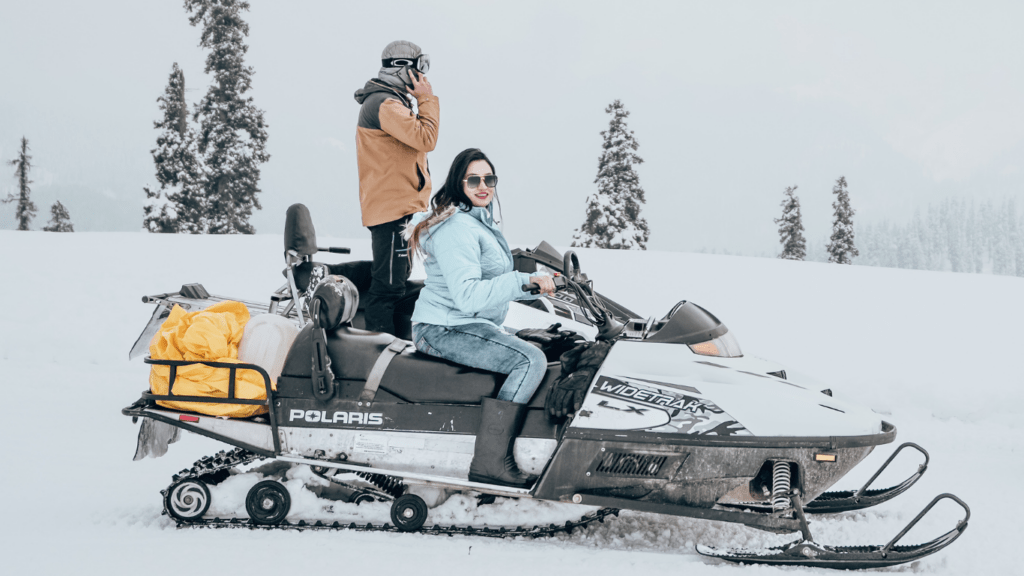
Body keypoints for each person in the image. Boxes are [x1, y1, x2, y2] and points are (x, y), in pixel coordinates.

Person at [405, 148, 556, 488]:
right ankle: (491, 463)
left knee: (544, 342)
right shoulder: (457, 228)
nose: (483, 185)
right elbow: (469, 296)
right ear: (459, 183)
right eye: (474, 179)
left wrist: (534, 284)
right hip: (443, 328)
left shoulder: (476, 220)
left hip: (468, 323)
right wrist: (521, 280)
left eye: (490, 179)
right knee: (530, 360)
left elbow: (489, 283)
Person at [354, 40, 440, 335]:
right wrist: (427, 99)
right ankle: (375, 352)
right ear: (403, 68)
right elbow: (426, 138)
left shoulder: (393, 100)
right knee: (388, 288)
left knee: (397, 282)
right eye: (420, 67)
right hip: (391, 212)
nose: (424, 76)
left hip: (400, 210)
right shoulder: (384, 103)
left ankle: (391, 346)